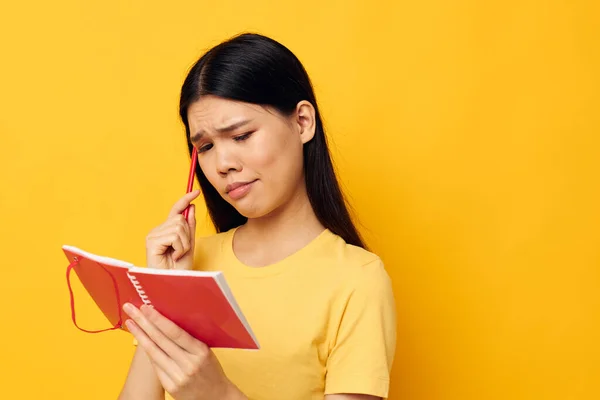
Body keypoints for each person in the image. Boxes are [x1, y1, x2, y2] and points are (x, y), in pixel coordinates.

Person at [117, 32, 397, 400]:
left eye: (242, 135)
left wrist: (220, 395)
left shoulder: (356, 280)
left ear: (302, 122)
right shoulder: (190, 263)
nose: (223, 164)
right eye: (205, 147)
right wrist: (162, 291)